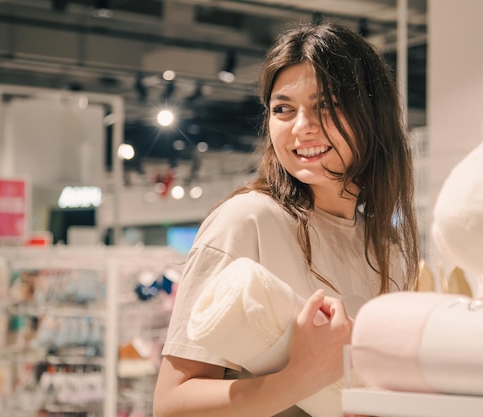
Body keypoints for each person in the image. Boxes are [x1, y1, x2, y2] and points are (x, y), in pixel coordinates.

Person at [153, 19, 420, 417]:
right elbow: (172, 405)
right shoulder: (248, 220)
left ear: (371, 115)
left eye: (326, 106)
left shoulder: (387, 247)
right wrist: (299, 378)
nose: (302, 128)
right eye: (283, 109)